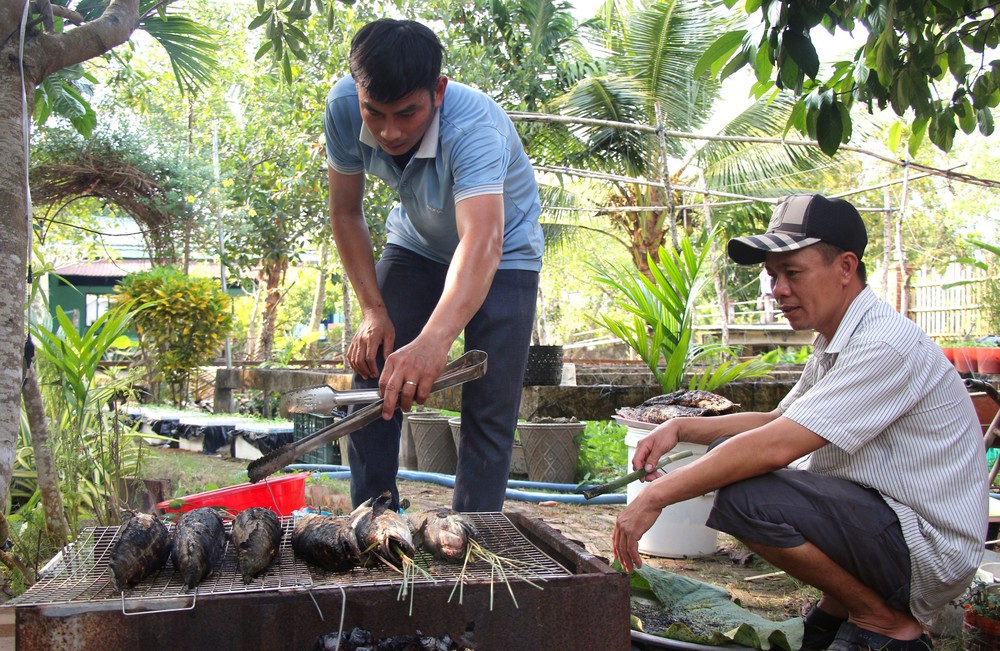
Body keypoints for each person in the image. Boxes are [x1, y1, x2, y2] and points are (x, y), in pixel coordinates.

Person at [612, 194, 987, 651]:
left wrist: (657, 494)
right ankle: (842, 605)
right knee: (731, 463)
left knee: (748, 494)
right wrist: (680, 428)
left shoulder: (883, 346)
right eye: (773, 275)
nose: (778, 289)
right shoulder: (839, 339)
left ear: (846, 267)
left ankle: (881, 620)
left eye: (793, 273)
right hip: (893, 526)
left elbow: (775, 445)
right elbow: (776, 420)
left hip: (927, 548)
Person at [324, 19, 543, 513]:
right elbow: (346, 211)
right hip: (417, 241)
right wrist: (373, 312)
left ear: (438, 91)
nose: (390, 131)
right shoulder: (341, 108)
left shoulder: (473, 128)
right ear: (357, 93)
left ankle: (473, 537)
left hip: (504, 252)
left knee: (489, 398)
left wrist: (434, 341)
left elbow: (482, 239)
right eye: (374, 113)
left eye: (408, 113)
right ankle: (375, 522)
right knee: (373, 371)